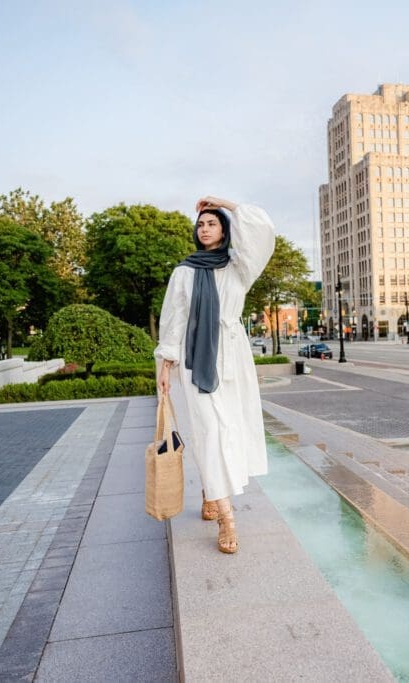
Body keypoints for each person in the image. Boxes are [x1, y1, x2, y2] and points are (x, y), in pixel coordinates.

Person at [155, 196, 275, 554]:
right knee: (208, 429)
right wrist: (166, 363)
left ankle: (211, 491)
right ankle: (227, 517)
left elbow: (261, 230)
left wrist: (224, 203)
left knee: (227, 429)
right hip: (194, 358)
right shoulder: (184, 272)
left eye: (212, 223)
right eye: (201, 224)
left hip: (231, 357)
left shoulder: (239, 266)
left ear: (225, 229)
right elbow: (174, 319)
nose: (204, 229)